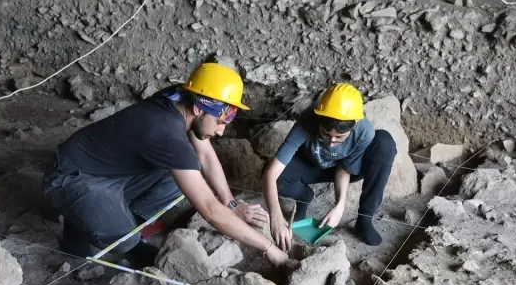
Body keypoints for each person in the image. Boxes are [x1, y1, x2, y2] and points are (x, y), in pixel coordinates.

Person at [43, 63, 289, 267]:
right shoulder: (166, 134)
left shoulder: (178, 98)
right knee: (125, 239)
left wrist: (232, 203)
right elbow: (210, 210)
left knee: (182, 172)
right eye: (220, 122)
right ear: (198, 108)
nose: (222, 131)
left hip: (109, 167)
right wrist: (269, 249)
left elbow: (203, 154)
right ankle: (87, 223)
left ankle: (116, 216)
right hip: (72, 177)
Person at [262, 83, 397, 250]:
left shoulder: (364, 131)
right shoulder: (306, 121)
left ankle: (364, 219)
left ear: (354, 124)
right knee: (275, 179)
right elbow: (271, 173)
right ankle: (303, 197)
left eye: (340, 138)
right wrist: (275, 216)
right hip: (312, 163)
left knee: (385, 143)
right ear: (318, 120)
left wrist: (340, 206)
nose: (332, 143)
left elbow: (345, 168)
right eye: (326, 134)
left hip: (343, 168)